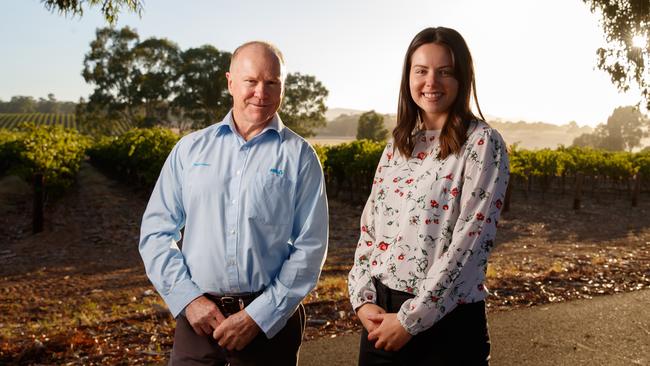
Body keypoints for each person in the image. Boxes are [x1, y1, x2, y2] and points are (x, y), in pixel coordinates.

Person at [139, 41, 328, 366]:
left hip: (269, 329)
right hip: (197, 320)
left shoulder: (300, 157)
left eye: (272, 83)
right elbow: (156, 232)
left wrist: (260, 315)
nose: (261, 92)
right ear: (230, 82)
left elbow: (311, 247)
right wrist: (189, 300)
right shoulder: (190, 150)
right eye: (251, 81)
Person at [348, 27, 509, 365]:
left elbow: (469, 245)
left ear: (462, 77)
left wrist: (411, 320)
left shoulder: (482, 143)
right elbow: (370, 230)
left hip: (447, 326)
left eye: (444, 71)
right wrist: (362, 299)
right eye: (421, 70)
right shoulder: (399, 144)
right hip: (381, 317)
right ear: (409, 77)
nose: (431, 82)